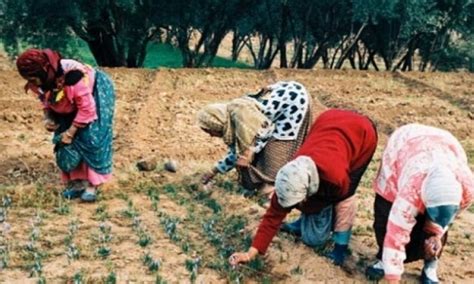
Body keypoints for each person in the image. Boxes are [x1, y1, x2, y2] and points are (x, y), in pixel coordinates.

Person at [228, 109, 378, 266]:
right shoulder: (290, 175)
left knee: (344, 199)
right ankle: (301, 223)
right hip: (328, 120)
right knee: (313, 228)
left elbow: (341, 194)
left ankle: (340, 247)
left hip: (362, 132)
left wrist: (313, 207)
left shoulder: (336, 178)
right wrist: (251, 253)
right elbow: (273, 216)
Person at [365, 124, 474, 284]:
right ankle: (385, 260)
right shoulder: (410, 192)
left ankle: (430, 266)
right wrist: (393, 278)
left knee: (435, 228)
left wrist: (436, 234)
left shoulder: (467, 189)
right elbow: (396, 235)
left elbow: (445, 219)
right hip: (403, 146)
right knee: (385, 217)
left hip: (444, 145)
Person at [16, 48, 116, 202]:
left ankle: (92, 184)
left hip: (93, 94)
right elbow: (46, 101)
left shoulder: (73, 78)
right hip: (67, 102)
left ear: (44, 72)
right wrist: (49, 118)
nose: (32, 84)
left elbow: (87, 109)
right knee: (64, 142)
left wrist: (70, 133)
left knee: (90, 138)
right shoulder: (41, 82)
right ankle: (77, 183)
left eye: (33, 79)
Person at [199, 81, 313, 200]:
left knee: (273, 160)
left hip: (294, 106)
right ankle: (265, 190)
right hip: (284, 96)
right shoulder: (232, 117)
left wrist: (249, 152)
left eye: (209, 131)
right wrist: (213, 171)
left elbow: (264, 131)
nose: (211, 135)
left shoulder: (243, 118)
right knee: (251, 155)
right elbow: (236, 152)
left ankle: (274, 197)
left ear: (217, 124)